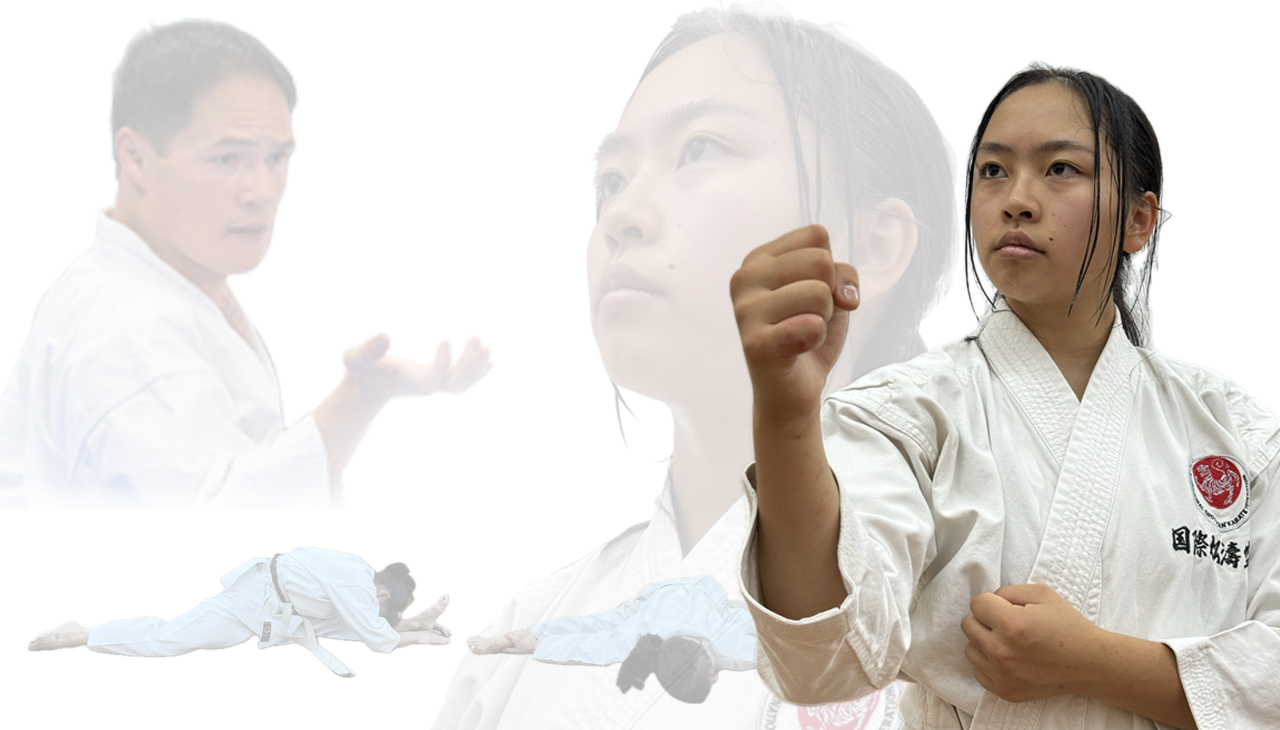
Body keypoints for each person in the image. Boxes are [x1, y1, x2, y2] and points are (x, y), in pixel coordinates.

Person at [433, 7, 950, 728]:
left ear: (873, 244)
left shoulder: (976, 613)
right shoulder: (520, 648)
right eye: (610, 180)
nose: (623, 214)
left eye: (700, 148)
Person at [731, 65, 1280, 729]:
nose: (1017, 198)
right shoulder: (908, 413)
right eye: (993, 171)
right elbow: (825, 659)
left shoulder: (1236, 434)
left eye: (1060, 170)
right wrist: (785, 416)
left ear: (1140, 221)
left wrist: (1093, 660)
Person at [0, 19, 490, 508]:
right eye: (228, 159)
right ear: (134, 156)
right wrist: (356, 398)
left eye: (276, 157)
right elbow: (217, 537)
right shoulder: (124, 329)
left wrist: (364, 397)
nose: (261, 193)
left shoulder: (165, 287)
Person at [27, 547, 453, 677]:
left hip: (275, 604)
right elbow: (379, 641)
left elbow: (363, 625)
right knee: (171, 637)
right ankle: (83, 633)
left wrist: (415, 625)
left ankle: (414, 621)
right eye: (387, 609)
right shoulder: (357, 586)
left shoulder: (358, 574)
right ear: (381, 595)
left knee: (347, 625)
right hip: (252, 600)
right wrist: (421, 638)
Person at [466, 575, 756, 704]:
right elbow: (597, 648)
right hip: (660, 599)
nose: (717, 678)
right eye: (712, 676)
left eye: (711, 678)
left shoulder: (732, 643)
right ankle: (524, 640)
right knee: (598, 629)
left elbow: (771, 638)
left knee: (598, 627)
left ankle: (521, 640)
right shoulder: (647, 633)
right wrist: (540, 647)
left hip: (693, 599)